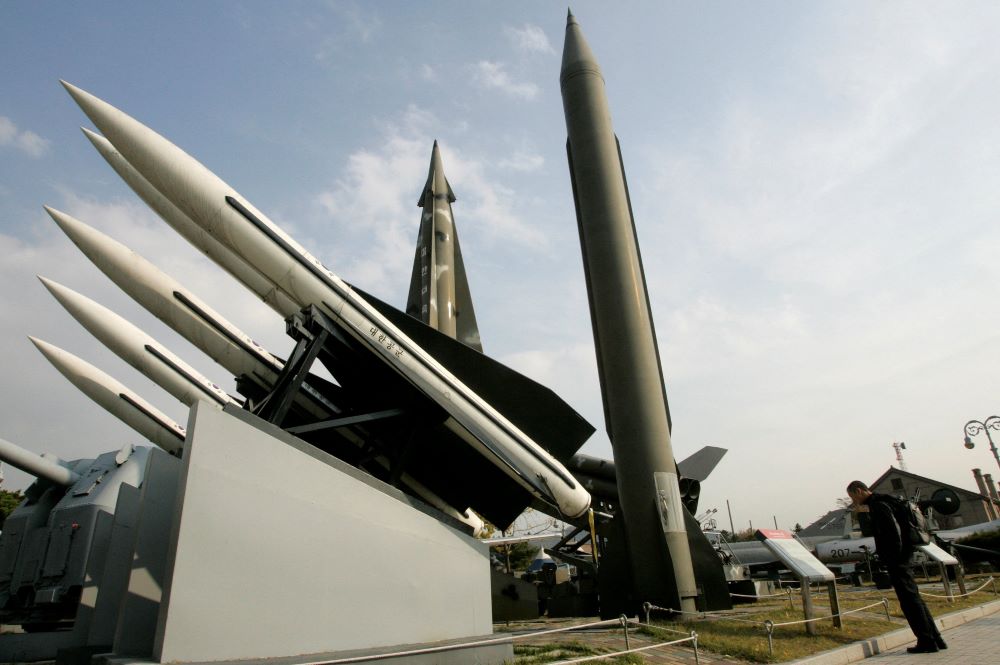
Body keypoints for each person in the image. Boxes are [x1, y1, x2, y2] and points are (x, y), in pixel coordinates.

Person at [846, 480, 946, 654]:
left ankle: (926, 641)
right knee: (915, 598)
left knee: (909, 601)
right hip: (905, 554)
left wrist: (892, 557)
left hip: (897, 558)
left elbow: (892, 532)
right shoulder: (890, 500)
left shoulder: (878, 505)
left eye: (853, 496)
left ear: (859, 491)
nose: (853, 500)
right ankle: (936, 638)